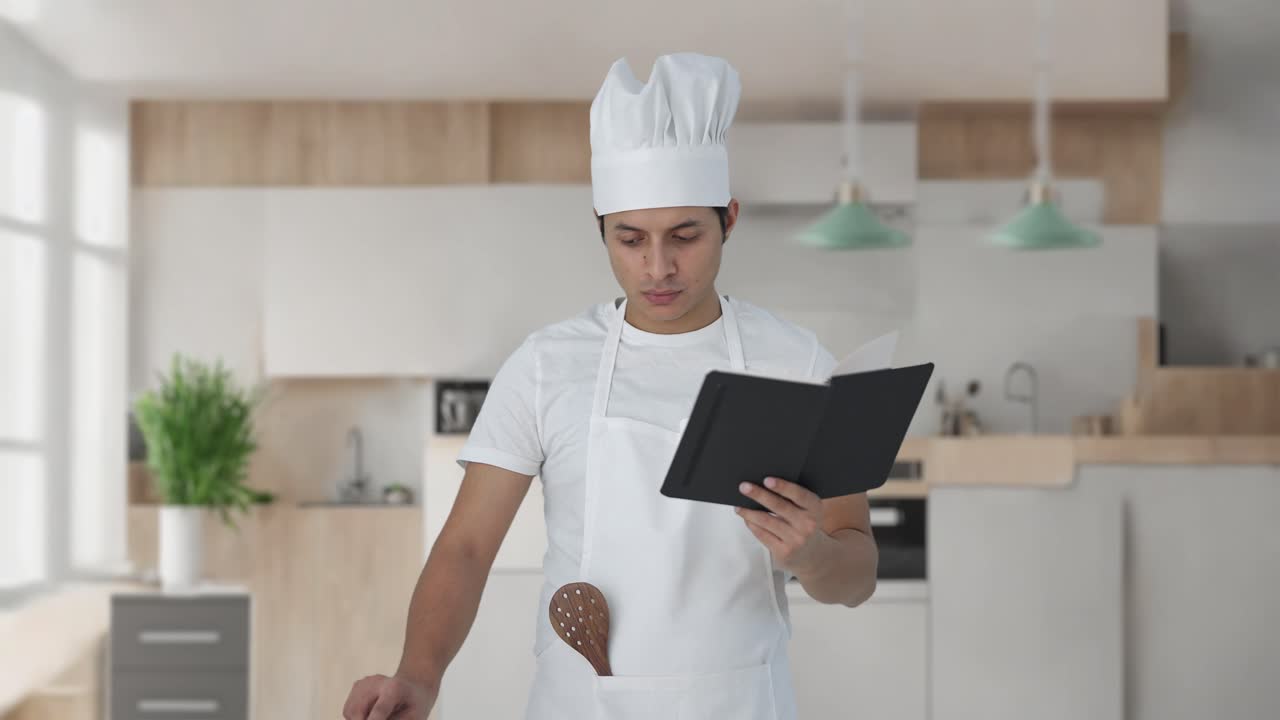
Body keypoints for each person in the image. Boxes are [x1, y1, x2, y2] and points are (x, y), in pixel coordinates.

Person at [342, 52, 878, 720]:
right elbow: (467, 547)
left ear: (730, 220)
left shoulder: (798, 364)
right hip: (582, 704)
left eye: (685, 235)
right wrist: (419, 677)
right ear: (601, 230)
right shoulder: (546, 365)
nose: (659, 267)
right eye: (630, 239)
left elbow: (857, 570)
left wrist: (815, 556)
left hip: (741, 703)